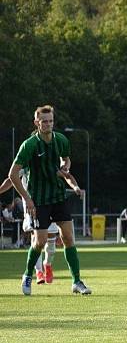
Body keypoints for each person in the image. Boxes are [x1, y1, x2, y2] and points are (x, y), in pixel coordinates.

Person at [8, 105, 92, 295]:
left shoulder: (61, 140)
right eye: (44, 121)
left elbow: (66, 160)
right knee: (40, 241)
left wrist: (66, 166)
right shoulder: (29, 145)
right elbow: (12, 175)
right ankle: (28, 275)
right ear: (36, 123)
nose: (48, 124)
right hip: (39, 200)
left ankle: (77, 282)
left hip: (59, 196)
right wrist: (27, 199)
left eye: (50, 121)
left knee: (69, 237)